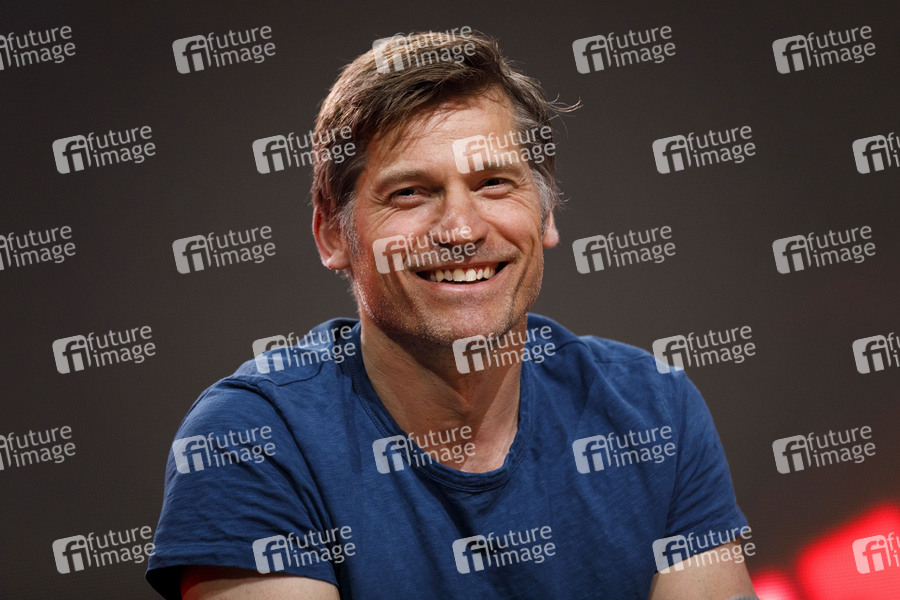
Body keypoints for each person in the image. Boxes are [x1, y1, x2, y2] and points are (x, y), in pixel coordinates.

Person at [147, 30, 757, 600]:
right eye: (410, 193)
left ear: (545, 216)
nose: (461, 230)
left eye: (494, 183)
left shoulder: (655, 408)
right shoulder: (250, 440)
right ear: (332, 235)